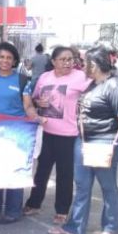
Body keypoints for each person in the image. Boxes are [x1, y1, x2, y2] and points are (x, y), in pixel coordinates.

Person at [49, 46, 118, 234]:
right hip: (84, 140)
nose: (81, 65)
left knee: (107, 185)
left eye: (84, 62)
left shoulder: (114, 87)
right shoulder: (92, 84)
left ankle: (111, 227)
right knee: (82, 185)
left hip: (104, 142)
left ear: (94, 65)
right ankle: (75, 226)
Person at [23, 46, 90, 224]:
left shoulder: (80, 77)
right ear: (53, 61)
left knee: (64, 174)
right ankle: (34, 203)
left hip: (69, 134)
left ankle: (62, 210)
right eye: (63, 59)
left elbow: (94, 96)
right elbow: (34, 98)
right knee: (41, 171)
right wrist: (38, 102)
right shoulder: (45, 77)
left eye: (70, 59)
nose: (67, 63)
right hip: (46, 132)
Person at [0, 42, 42, 224]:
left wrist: (35, 116)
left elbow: (28, 105)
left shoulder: (23, 80)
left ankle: (13, 210)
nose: (5, 60)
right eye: (2, 57)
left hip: (17, 133)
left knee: (14, 170)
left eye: (9, 58)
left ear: (14, 60)